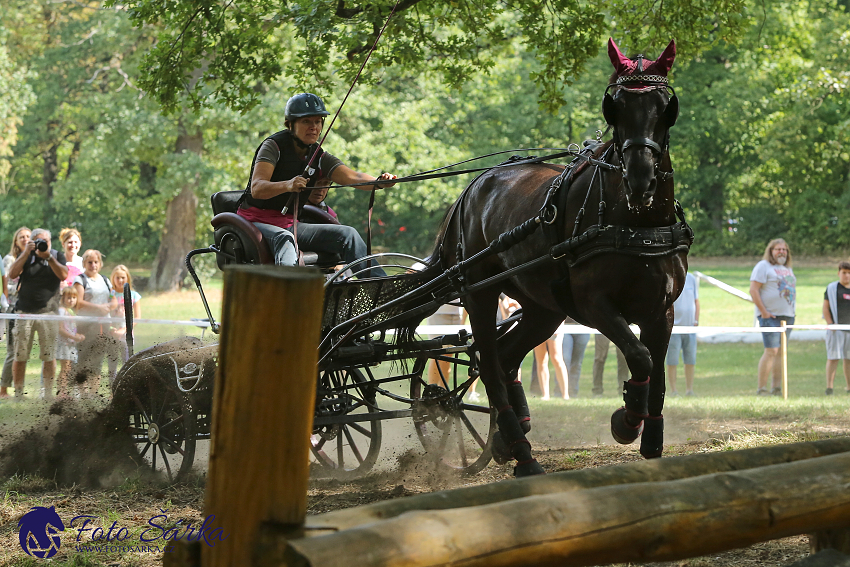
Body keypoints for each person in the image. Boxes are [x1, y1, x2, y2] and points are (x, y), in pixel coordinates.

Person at [236, 93, 397, 277]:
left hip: (290, 224)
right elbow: (257, 188)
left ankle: (382, 291)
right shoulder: (273, 146)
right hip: (255, 223)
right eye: (306, 121)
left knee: (348, 234)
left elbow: (353, 176)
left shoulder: (318, 155)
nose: (314, 127)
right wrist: (288, 185)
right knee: (285, 238)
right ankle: (290, 299)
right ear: (290, 124)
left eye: (318, 121)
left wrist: (379, 183)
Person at [8, 228, 68, 400]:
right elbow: (12, 274)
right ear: (32, 242)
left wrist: (48, 257)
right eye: (39, 242)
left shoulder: (56, 255)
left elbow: (64, 275)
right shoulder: (27, 255)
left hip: (49, 312)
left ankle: (47, 393)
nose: (43, 245)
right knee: (20, 355)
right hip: (24, 312)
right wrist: (27, 252)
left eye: (46, 242)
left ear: (50, 242)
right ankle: (18, 393)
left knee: (49, 356)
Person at [749, 238, 796, 396]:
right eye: (778, 249)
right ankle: (761, 389)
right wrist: (763, 311)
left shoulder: (787, 268)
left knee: (781, 352)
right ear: (771, 251)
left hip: (787, 317)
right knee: (771, 351)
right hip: (770, 315)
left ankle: (776, 389)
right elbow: (754, 290)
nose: (781, 252)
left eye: (784, 249)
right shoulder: (763, 266)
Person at [73, 249, 119, 397]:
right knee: (84, 358)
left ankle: (94, 391)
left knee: (98, 359)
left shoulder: (105, 280)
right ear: (84, 263)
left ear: (100, 263)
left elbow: (113, 299)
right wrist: (98, 308)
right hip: (86, 325)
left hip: (103, 325)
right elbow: (78, 302)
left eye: (96, 262)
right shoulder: (80, 280)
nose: (93, 265)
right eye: (90, 262)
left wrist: (109, 306)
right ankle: (83, 392)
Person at [1, 226, 31, 397]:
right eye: (22, 237)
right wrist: (23, 288)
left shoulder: (32, 259)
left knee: (22, 351)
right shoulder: (9, 260)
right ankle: (3, 388)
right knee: (13, 351)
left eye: (28, 236)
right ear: (16, 241)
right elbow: (7, 286)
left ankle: (17, 388)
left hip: (26, 309)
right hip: (12, 309)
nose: (25, 239)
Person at [666, 272, 700, 396]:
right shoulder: (669, 279)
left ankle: (689, 390)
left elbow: (696, 301)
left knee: (690, 360)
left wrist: (696, 321)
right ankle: (674, 390)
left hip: (690, 328)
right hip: (674, 330)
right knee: (672, 361)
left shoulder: (691, 279)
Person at [107, 265, 141, 384]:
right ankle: (112, 388)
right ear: (113, 278)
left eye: (123, 277)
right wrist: (111, 329)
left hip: (127, 336)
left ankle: (127, 386)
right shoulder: (110, 295)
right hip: (112, 335)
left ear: (127, 278)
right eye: (117, 278)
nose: (120, 280)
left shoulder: (134, 295)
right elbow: (106, 313)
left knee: (127, 362)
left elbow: (137, 317)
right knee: (112, 364)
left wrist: (124, 330)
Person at [823, 261, 850, 395]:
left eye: (849, 273)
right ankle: (829, 388)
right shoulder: (832, 288)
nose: (847, 276)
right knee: (833, 358)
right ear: (839, 273)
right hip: (836, 330)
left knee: (849, 360)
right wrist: (830, 323)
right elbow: (825, 308)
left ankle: (849, 388)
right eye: (844, 273)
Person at [56, 286, 84, 398]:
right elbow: (61, 329)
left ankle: (64, 391)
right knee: (65, 368)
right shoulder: (61, 311)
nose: (71, 300)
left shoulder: (70, 312)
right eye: (68, 297)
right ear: (62, 298)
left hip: (71, 343)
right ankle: (61, 392)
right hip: (64, 343)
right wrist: (73, 337)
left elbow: (70, 328)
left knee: (68, 368)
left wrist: (77, 336)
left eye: (73, 297)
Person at [532, 325, 569, 400]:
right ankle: (545, 395)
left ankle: (565, 395)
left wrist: (558, 326)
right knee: (541, 360)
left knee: (557, 359)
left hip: (554, 326)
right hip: (537, 328)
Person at [562, 317, 590, 398]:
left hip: (583, 328)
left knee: (577, 363)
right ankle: (561, 391)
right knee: (565, 360)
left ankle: (573, 391)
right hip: (565, 327)